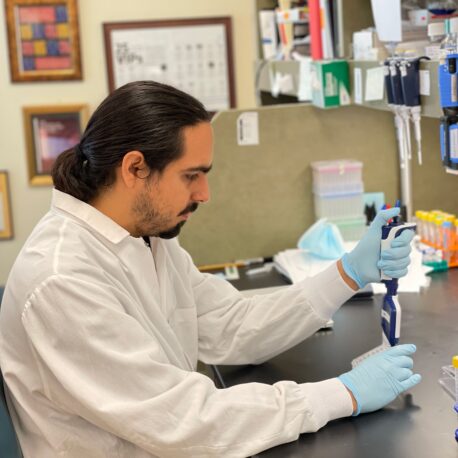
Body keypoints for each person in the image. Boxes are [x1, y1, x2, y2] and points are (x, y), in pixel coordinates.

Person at [0, 81, 420, 458]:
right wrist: (340, 394)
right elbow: (180, 420)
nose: (205, 193)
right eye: (191, 176)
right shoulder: (62, 279)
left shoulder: (145, 238)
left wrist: (347, 273)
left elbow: (232, 324)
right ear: (134, 169)